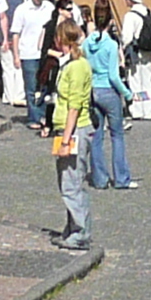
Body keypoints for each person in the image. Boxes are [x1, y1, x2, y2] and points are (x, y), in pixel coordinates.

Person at [51, 19, 97, 249]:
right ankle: (71, 227)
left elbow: (75, 105)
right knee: (68, 181)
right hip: (67, 129)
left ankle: (80, 232)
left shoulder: (78, 66)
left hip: (75, 130)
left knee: (72, 183)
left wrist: (66, 139)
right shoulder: (69, 64)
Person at [87, 2, 133, 191]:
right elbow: (114, 76)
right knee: (117, 136)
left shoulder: (87, 43)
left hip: (93, 91)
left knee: (96, 137)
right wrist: (127, 93)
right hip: (109, 92)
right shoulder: (111, 45)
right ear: (111, 21)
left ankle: (99, 178)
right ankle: (121, 178)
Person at [11, 0, 56, 130]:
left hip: (45, 54)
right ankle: (33, 118)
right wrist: (16, 56)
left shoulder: (49, 7)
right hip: (28, 53)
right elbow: (16, 33)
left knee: (44, 87)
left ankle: (43, 116)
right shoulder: (22, 9)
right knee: (31, 88)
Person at [120, 0, 151, 122]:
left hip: (136, 52)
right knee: (147, 81)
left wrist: (122, 49)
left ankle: (138, 110)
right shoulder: (148, 12)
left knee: (135, 82)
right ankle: (149, 110)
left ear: (131, 0)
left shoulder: (130, 16)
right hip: (148, 52)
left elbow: (126, 38)